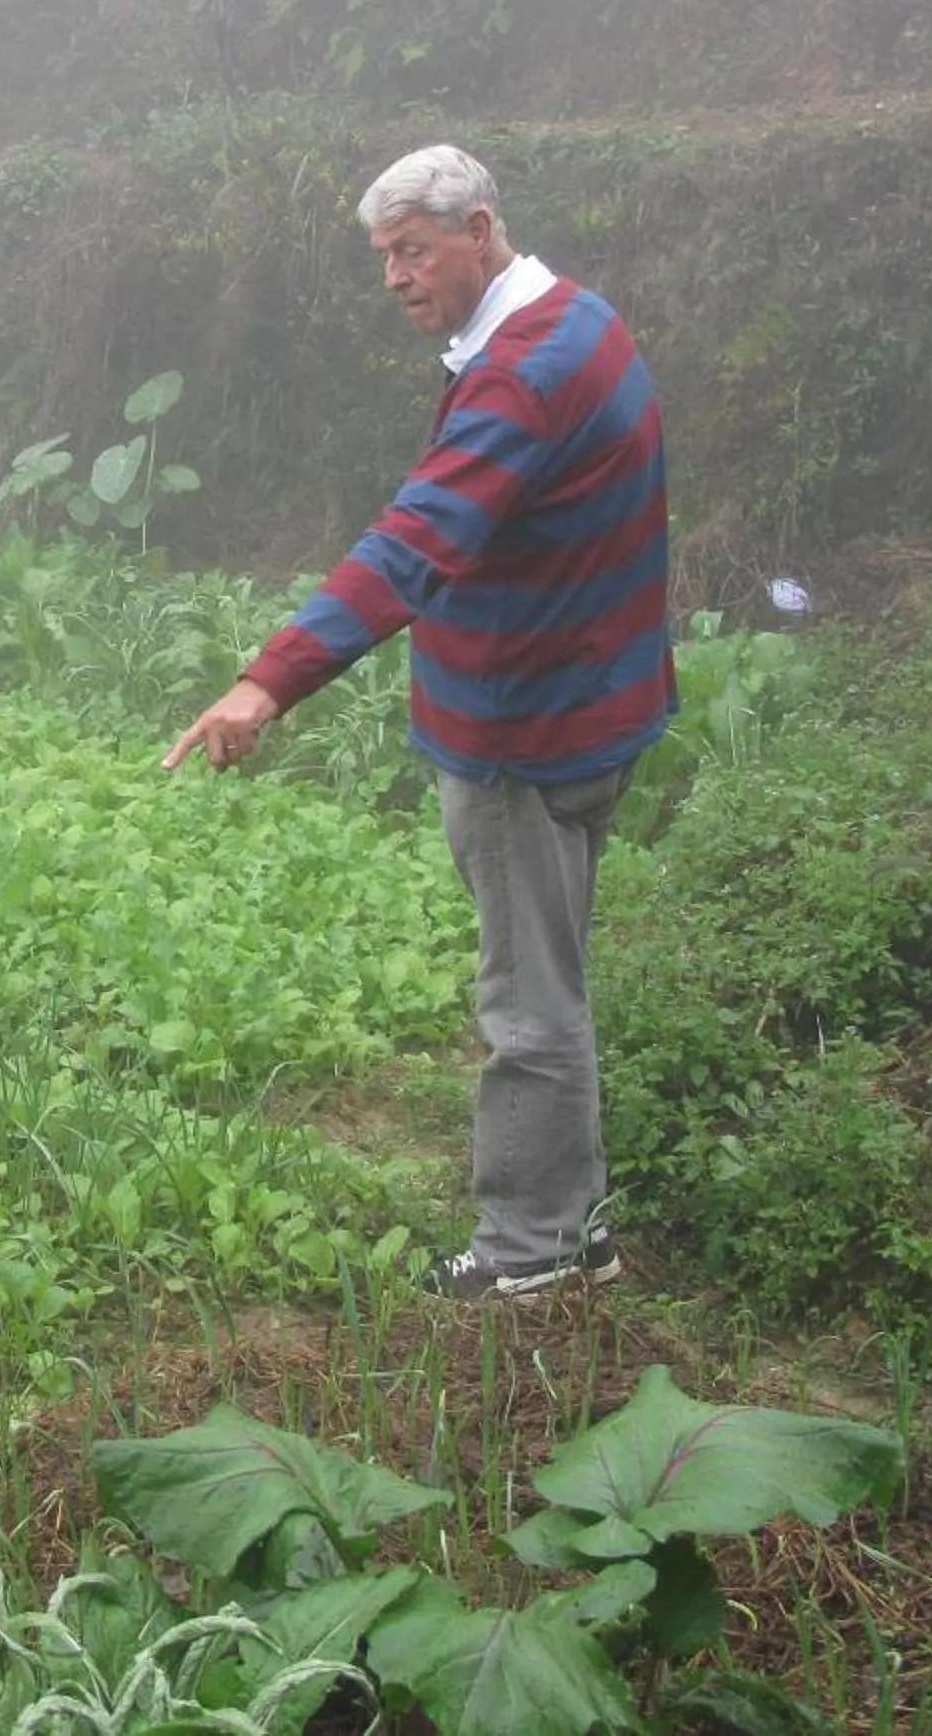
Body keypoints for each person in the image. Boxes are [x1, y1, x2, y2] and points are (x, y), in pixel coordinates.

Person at [164, 145, 671, 1304]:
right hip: (599, 708)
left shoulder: (522, 375)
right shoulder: (582, 321)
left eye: (414, 250)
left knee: (526, 1000)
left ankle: (531, 1249)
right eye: (383, 255)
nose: (394, 275)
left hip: (525, 736)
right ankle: (575, 1223)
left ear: (479, 229)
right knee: (552, 974)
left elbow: (414, 539)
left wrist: (267, 680)